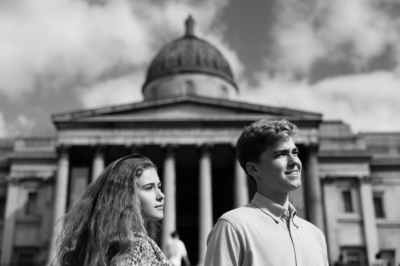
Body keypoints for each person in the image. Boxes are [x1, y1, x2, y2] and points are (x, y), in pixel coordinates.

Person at [204, 119, 329, 265]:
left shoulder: (315, 235)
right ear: (253, 169)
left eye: (295, 152)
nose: (294, 161)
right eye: (280, 154)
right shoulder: (233, 227)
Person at [56, 154, 171, 266]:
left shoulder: (105, 248)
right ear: (127, 196)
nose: (161, 195)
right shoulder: (138, 246)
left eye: (159, 186)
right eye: (149, 188)